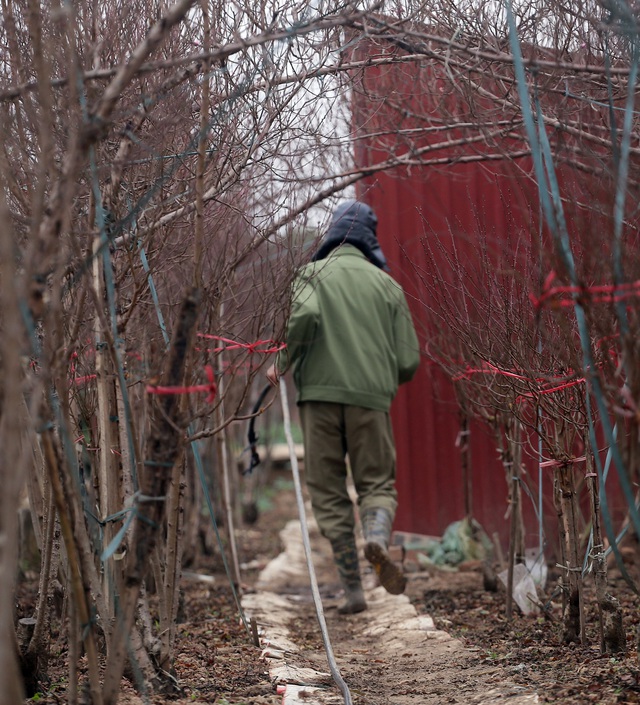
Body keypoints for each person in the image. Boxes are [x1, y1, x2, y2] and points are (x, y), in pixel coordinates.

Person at [267, 199, 420, 614]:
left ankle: (352, 588)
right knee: (376, 483)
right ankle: (375, 535)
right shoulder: (387, 285)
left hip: (318, 398)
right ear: (370, 238)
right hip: (370, 398)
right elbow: (409, 360)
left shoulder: (310, 275)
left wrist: (283, 360)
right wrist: (382, 382)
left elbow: (305, 317)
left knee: (329, 492)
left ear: (332, 233)